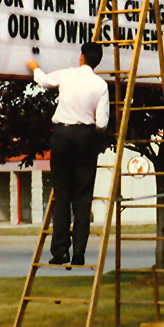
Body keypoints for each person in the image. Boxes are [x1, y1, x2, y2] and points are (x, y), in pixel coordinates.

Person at [27, 41, 110, 266]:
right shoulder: (101, 85)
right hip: (86, 137)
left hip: (62, 135)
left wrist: (34, 66)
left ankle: (60, 251)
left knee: (62, 194)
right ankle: (80, 253)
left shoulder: (68, 75)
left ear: (81, 57)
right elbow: (102, 123)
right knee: (83, 197)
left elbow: (44, 81)